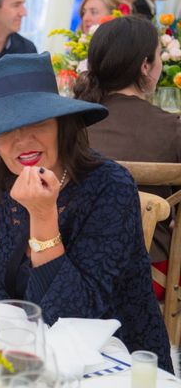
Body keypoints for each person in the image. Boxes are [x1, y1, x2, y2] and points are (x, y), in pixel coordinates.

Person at [0, 52, 172, 372]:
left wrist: (42, 217)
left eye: (36, 122)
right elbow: (2, 286)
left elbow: (77, 315)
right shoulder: (8, 183)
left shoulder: (109, 186)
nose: (21, 141)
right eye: (4, 129)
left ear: (61, 123)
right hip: (36, 352)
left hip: (116, 361)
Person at [75, 15, 181, 265]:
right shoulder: (172, 128)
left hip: (74, 263)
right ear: (145, 66)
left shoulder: (71, 125)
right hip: (149, 271)